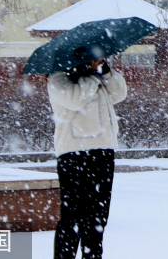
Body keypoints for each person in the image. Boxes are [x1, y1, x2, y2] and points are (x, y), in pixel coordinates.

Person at [48, 52, 127, 259]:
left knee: (97, 218)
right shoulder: (58, 78)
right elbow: (75, 100)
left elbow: (119, 94)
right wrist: (91, 74)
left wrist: (105, 71)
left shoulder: (96, 76)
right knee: (72, 217)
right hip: (74, 154)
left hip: (103, 152)